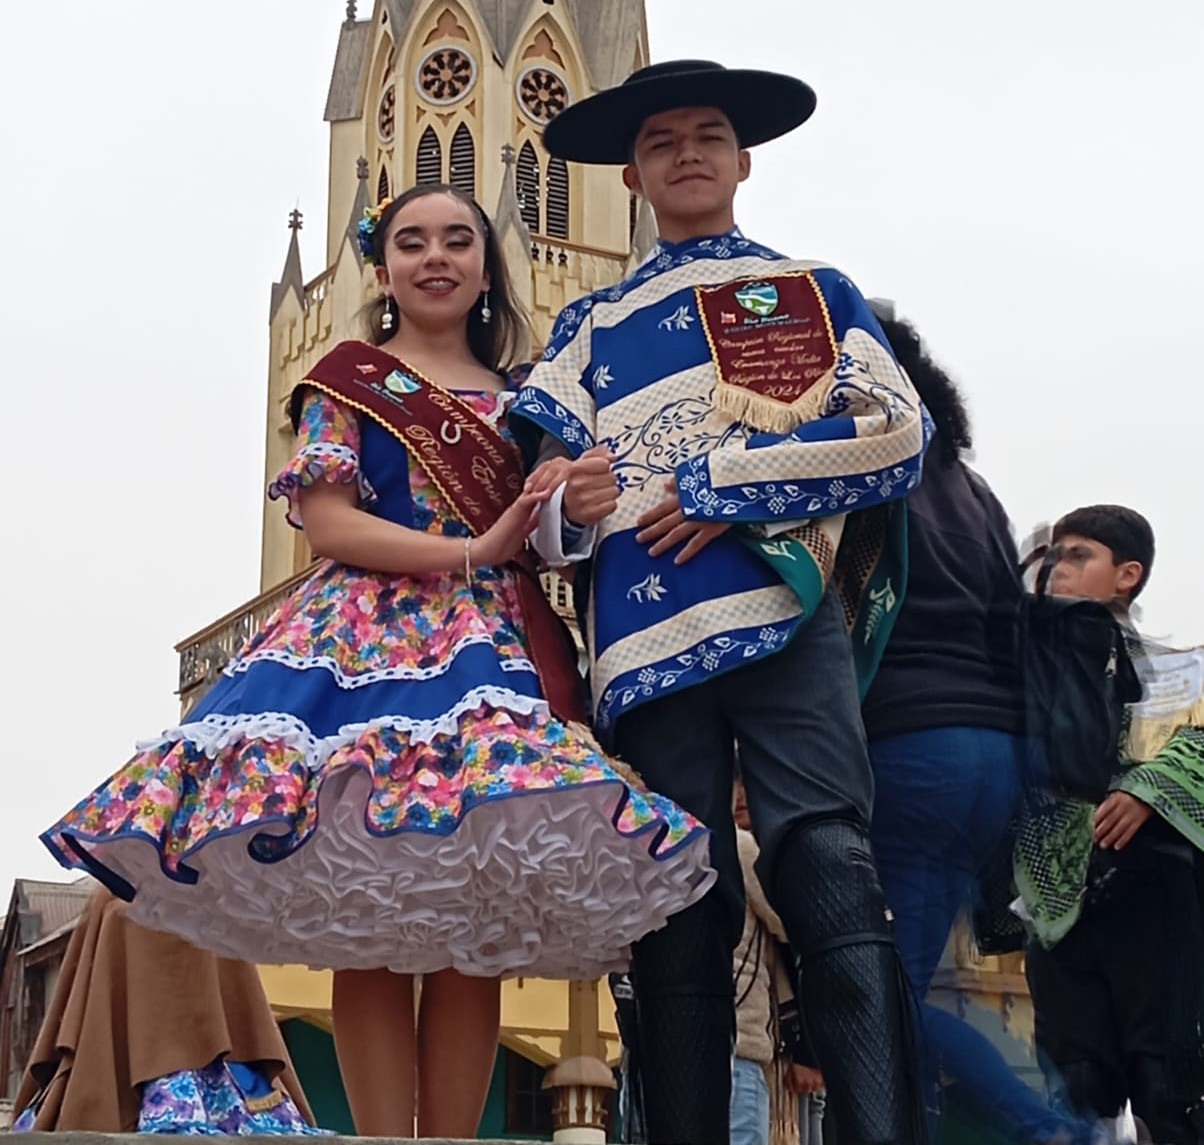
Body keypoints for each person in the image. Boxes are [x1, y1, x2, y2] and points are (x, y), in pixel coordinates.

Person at [38, 184, 713, 1139]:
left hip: (499, 651)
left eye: (456, 240)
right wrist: (470, 553)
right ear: (384, 265)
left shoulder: (533, 397)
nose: (434, 257)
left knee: (471, 929)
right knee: (371, 922)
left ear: (487, 265)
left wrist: (575, 502)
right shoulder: (346, 379)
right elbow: (327, 521)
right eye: (411, 241)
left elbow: (549, 538)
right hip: (364, 650)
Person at [512, 60, 930, 1144]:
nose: (687, 152)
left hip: (787, 614)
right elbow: (539, 504)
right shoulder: (588, 326)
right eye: (661, 142)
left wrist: (719, 489)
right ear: (634, 176)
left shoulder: (809, 288)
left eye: (708, 135)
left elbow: (896, 436)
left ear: (742, 160)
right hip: (644, 636)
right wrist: (574, 500)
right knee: (676, 890)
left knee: (827, 857)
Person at [860, 307, 1097, 1144]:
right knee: (913, 989)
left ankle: (1049, 1126)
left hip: (914, 743)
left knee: (880, 1000)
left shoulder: (861, 465)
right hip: (996, 755)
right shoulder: (968, 483)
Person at [1017, 505, 1204, 1145]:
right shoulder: (1023, 667)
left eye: (1078, 555)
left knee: (1168, 1084)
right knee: (1072, 1085)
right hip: (1055, 896)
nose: (1056, 569)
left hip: (1157, 897)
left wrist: (1152, 786)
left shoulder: (1182, 671)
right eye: (1052, 555)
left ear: (1128, 574)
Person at [12, 887, 321, 1135]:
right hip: (122, 1072)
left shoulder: (214, 894)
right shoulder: (117, 902)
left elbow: (239, 1001)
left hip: (230, 1078)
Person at [731, 778, 825, 1145]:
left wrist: (809, 1050)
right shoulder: (746, 849)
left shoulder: (757, 851)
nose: (740, 795)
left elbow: (801, 944)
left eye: (747, 782)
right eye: (732, 783)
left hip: (781, 1045)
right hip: (766, 1044)